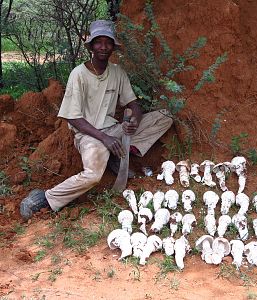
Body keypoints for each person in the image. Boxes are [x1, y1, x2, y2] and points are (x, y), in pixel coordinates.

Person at [20, 20, 173, 220]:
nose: (103, 47)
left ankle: (122, 153)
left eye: (107, 42)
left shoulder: (117, 72)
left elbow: (134, 104)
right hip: (89, 135)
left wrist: (133, 120)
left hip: (114, 130)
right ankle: (46, 197)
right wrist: (105, 139)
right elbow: (73, 117)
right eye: (98, 42)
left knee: (164, 117)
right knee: (93, 175)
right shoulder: (79, 74)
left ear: (112, 47)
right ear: (91, 46)